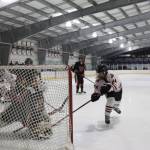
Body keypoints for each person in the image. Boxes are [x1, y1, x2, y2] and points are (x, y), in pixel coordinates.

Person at [0, 58, 52, 140]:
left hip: (30, 110)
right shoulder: (20, 77)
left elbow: (42, 87)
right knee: (4, 118)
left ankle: (40, 129)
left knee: (45, 119)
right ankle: (37, 127)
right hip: (17, 109)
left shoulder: (35, 80)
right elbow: (15, 94)